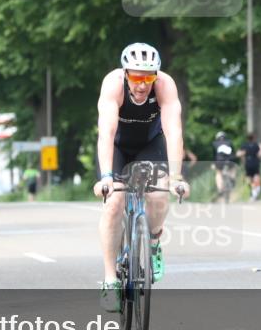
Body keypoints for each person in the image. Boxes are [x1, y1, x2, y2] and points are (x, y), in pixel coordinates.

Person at [92, 43, 188, 312]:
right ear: (126, 74)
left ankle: (154, 242)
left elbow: (174, 132)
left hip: (149, 144)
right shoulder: (113, 85)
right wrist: (106, 177)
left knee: (158, 193)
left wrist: (176, 176)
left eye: (148, 77)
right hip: (118, 148)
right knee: (114, 203)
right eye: (136, 77)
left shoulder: (165, 85)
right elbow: (107, 133)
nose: (143, 84)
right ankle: (110, 280)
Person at [237, 132, 261, 201]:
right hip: (256, 162)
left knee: (249, 178)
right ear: (254, 138)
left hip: (248, 163)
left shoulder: (244, 145)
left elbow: (238, 154)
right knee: (256, 176)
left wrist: (243, 156)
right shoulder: (257, 144)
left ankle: (253, 192)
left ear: (247, 138)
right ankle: (257, 190)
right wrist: (259, 155)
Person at [211, 131, 236, 202]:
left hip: (219, 161)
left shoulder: (214, 143)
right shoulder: (230, 142)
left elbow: (214, 155)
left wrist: (213, 164)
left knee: (218, 173)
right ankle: (232, 179)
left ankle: (220, 189)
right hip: (229, 161)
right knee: (233, 169)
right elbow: (233, 153)